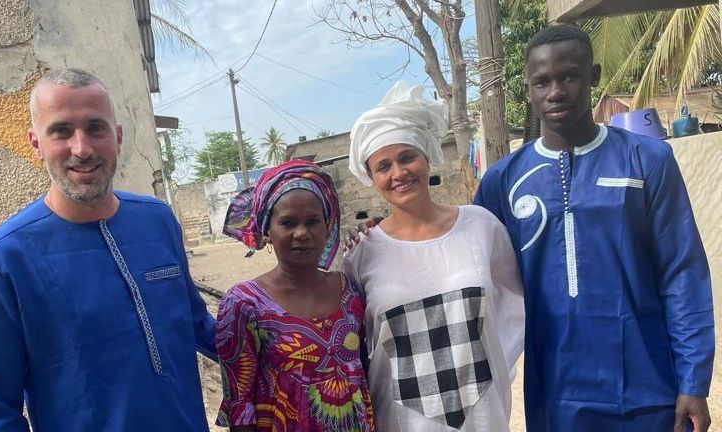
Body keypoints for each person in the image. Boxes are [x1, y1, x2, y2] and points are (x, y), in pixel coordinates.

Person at [474, 24, 714, 432]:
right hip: (555, 392)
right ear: (529, 91)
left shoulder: (648, 161)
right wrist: (382, 232)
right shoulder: (502, 181)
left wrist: (693, 379)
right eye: (542, 82)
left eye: (568, 76)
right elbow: (467, 261)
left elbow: (682, 273)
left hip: (648, 387)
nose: (555, 92)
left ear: (594, 76)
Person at [0, 68, 217, 431]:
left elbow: (198, 326)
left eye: (95, 128)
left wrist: (284, 324)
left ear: (116, 137)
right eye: (61, 131)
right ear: (35, 143)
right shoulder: (4, 258)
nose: (81, 148)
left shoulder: (158, 221)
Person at [342, 81, 524, 432]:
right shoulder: (361, 254)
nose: (399, 173)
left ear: (426, 156)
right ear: (371, 177)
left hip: (484, 420)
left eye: (407, 156)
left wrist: (488, 371)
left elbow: (513, 308)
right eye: (384, 166)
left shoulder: (481, 227)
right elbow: (356, 344)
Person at [216, 159, 375, 431]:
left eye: (313, 221)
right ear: (267, 230)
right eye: (288, 223)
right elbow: (240, 407)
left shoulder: (349, 292)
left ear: (328, 227)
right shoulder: (244, 304)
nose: (302, 233)